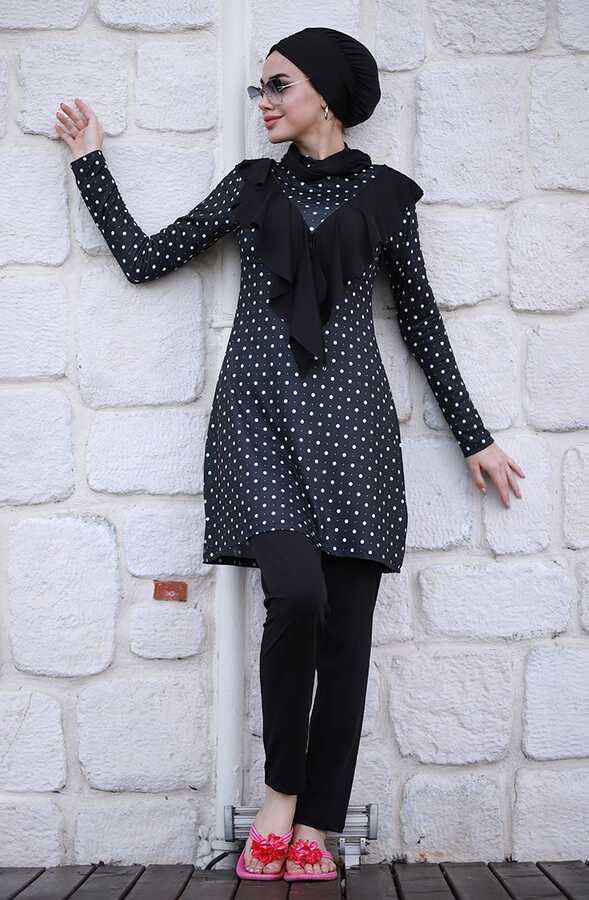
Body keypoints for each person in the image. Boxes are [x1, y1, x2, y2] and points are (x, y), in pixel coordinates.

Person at [55, 26, 525, 882]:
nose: (263, 102)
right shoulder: (251, 187)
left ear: (326, 95)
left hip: (354, 435)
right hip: (256, 424)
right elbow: (144, 259)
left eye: (278, 85)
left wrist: (474, 435)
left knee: (345, 635)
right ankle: (278, 795)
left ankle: (317, 825)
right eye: (259, 88)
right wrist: (91, 164)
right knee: (297, 598)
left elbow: (420, 322)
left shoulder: (386, 199)